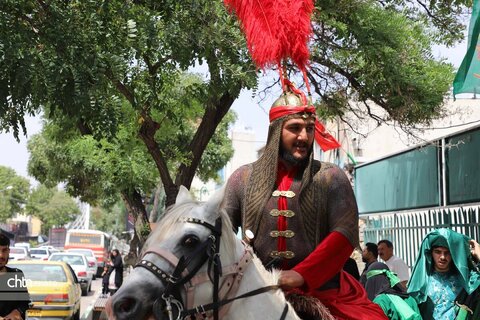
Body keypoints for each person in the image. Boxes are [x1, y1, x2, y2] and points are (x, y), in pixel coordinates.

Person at [223, 81, 388, 320]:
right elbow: (220, 231)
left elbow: (345, 232)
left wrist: (302, 275)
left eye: (310, 128)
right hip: (258, 291)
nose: (304, 136)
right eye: (295, 127)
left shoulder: (331, 177)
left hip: (324, 292)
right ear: (276, 130)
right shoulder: (243, 178)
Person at [407, 228, 480, 320]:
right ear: (431, 253)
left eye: (447, 253)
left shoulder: (466, 280)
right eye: (437, 252)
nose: (442, 257)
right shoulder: (422, 281)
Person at [0, 234, 30, 320]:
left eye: (4, 250)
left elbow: (25, 302)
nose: (1, 255)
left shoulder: (16, 274)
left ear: (9, 251)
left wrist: (17, 312)